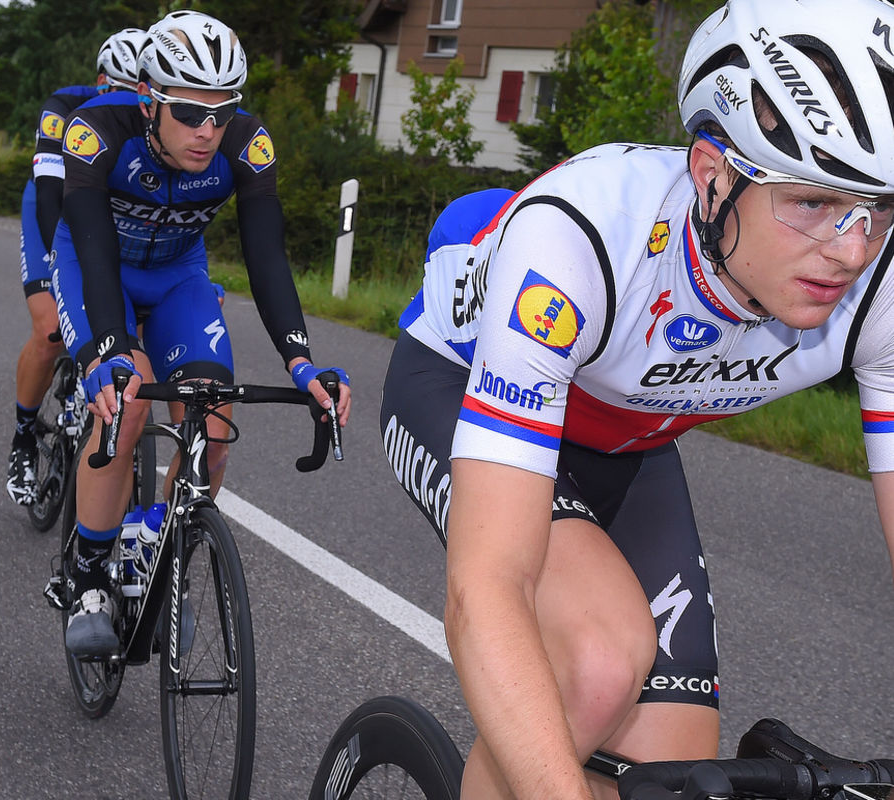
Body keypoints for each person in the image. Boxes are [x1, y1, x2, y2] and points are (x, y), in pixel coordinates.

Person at [378, 1, 894, 797]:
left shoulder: (878, 287)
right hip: (461, 383)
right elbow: (486, 589)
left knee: (681, 773)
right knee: (599, 660)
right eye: (811, 203)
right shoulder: (581, 239)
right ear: (713, 174)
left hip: (628, 440)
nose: (851, 248)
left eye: (879, 208)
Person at [55, 11, 351, 655]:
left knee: (214, 426)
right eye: (190, 113)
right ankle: (88, 577)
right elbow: (94, 251)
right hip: (94, 267)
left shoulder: (247, 144)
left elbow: (266, 257)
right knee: (127, 404)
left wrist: (301, 362)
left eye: (221, 113)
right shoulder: (97, 131)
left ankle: (157, 549)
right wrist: (109, 348)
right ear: (150, 101)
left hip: (178, 276)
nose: (208, 131)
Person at [5, 26, 150, 505]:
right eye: (117, 92)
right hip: (55, 209)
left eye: (138, 95)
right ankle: (24, 436)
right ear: (99, 81)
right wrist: (59, 270)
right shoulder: (66, 107)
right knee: (51, 329)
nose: (126, 107)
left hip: (110, 215)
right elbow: (50, 194)